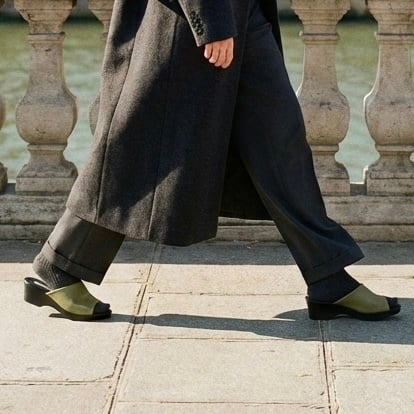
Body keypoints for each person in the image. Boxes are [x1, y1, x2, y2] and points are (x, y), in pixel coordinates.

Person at [24, 0, 400, 321]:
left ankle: (329, 275)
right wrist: (211, 19)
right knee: (140, 148)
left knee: (280, 137)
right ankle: (59, 266)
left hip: (242, 12)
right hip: (184, 18)